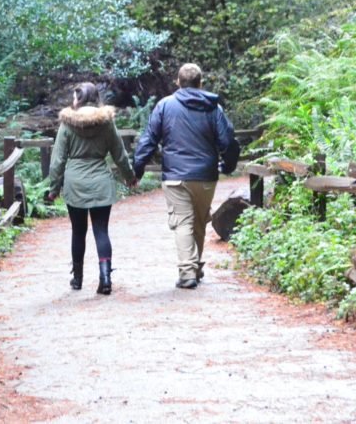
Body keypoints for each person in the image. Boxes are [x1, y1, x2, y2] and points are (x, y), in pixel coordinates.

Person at [132, 63, 234, 289]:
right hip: (206, 176)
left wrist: (137, 169)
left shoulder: (165, 106)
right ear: (201, 82)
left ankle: (188, 272)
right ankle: (194, 268)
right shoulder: (213, 108)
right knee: (198, 221)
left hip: (175, 176)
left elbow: (148, 140)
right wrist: (228, 165)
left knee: (183, 222)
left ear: (178, 82)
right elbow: (227, 140)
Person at [46, 82, 136, 295]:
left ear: (78, 98)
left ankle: (77, 279)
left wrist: (53, 188)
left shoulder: (67, 123)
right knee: (101, 230)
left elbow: (57, 160)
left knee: (78, 231)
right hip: (100, 182)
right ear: (96, 98)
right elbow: (119, 153)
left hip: (75, 182)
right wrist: (130, 177)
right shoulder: (106, 122)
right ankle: (105, 278)